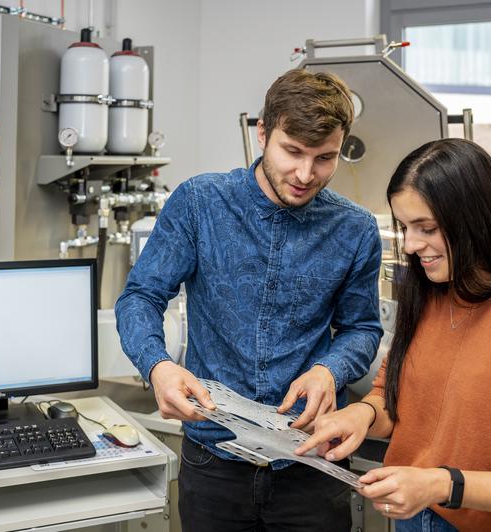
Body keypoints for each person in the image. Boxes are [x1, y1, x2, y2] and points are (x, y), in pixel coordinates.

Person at [115, 68, 383, 531]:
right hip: (213, 461)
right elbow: (140, 296)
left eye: (324, 158)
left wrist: (329, 369)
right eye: (292, 152)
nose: (305, 174)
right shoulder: (200, 203)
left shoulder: (355, 229)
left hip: (310, 466)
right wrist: (158, 366)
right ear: (263, 133)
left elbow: (362, 328)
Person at [296, 138, 491, 531]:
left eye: (426, 228)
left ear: (476, 221)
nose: (411, 245)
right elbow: (393, 395)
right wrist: (362, 414)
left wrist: (441, 484)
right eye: (404, 227)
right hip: (416, 518)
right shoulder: (433, 294)